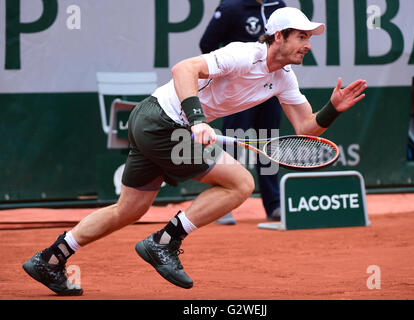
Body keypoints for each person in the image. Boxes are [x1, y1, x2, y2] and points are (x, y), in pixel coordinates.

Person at [22, 7, 367, 295]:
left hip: (152, 122)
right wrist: (199, 120)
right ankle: (164, 242)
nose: (307, 45)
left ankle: (51, 259)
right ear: (279, 36)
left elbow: (306, 128)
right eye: (302, 36)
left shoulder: (284, 79)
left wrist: (333, 108)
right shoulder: (244, 54)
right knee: (241, 184)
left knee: (129, 209)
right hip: (161, 121)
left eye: (309, 38)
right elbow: (184, 69)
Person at [200, 0, 287, 225]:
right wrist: (228, 74)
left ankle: (274, 204)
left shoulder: (278, 5)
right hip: (239, 91)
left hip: (269, 90)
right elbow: (207, 43)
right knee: (233, 142)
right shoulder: (231, 8)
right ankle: (222, 205)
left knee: (269, 144)